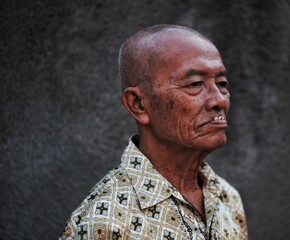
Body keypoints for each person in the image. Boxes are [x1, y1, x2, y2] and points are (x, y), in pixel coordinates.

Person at [60, 24, 248, 240]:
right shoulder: (104, 223)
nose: (220, 99)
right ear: (139, 104)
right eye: (195, 84)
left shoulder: (226, 197)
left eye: (222, 83)